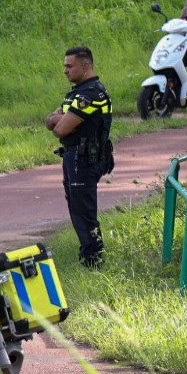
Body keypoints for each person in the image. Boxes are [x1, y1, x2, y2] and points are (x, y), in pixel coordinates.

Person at [45, 46, 113, 268]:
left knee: (84, 211)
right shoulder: (77, 92)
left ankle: (93, 259)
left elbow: (59, 130)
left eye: (69, 66)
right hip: (75, 157)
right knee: (77, 207)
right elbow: (49, 120)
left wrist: (61, 119)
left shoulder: (90, 94)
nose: (64, 70)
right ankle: (90, 255)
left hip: (85, 159)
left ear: (85, 67)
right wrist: (61, 119)